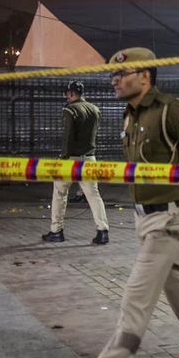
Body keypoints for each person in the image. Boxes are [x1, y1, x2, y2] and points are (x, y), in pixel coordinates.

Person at [56, 47, 179, 358]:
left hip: (168, 219)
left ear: (145, 76)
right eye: (112, 75)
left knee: (135, 301)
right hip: (145, 218)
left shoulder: (170, 110)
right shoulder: (130, 115)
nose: (114, 80)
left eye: (121, 73)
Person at [41, 80, 110, 245]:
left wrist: (63, 158)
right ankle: (103, 231)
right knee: (94, 195)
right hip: (90, 158)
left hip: (70, 159)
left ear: (71, 93)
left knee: (59, 194)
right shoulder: (95, 110)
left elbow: (67, 137)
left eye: (67, 93)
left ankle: (56, 231)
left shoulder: (70, 110)